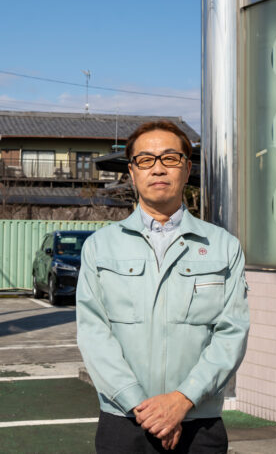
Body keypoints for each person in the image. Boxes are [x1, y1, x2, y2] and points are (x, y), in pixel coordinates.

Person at [76, 121, 249, 453]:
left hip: (198, 421)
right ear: (132, 172)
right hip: (125, 419)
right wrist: (141, 407)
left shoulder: (223, 246)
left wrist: (182, 400)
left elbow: (232, 333)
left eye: (170, 158)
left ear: (187, 169)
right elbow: (93, 334)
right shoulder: (100, 247)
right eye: (145, 160)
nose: (158, 168)